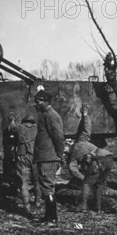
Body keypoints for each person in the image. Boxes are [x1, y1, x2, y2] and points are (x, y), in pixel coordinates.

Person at [33, 90, 65, 226]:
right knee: (45, 188)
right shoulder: (45, 115)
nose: (36, 104)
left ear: (46, 102)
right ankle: (48, 217)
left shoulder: (51, 115)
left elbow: (58, 137)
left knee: (48, 187)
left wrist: (59, 154)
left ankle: (52, 219)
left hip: (49, 157)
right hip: (44, 156)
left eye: (38, 101)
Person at [68, 139, 112, 213]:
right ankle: (98, 208)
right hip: (108, 157)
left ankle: (83, 206)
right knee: (99, 184)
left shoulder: (73, 154)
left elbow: (72, 168)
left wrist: (83, 178)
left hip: (96, 161)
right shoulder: (82, 140)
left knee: (86, 184)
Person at [13, 115, 38, 212]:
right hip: (35, 155)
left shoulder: (19, 127)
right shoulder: (37, 128)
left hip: (22, 155)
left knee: (24, 181)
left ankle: (26, 204)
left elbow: (11, 127)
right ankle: (37, 202)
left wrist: (12, 119)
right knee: (37, 181)